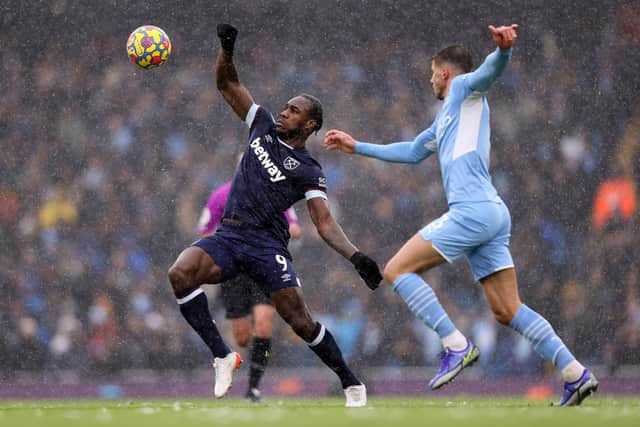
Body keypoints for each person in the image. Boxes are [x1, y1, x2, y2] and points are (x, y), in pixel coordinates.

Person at [324, 24, 598, 406]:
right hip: (491, 213)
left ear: (445, 72)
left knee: (396, 270)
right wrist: (358, 147)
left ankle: (455, 345)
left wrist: (503, 51)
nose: (429, 78)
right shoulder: (445, 118)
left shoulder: (467, 88)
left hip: (473, 210)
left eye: (432, 71)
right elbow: (412, 151)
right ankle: (574, 373)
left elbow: (489, 71)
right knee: (507, 309)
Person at [168, 23, 383, 407]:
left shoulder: (308, 169)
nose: (284, 113)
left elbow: (325, 223)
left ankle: (350, 381)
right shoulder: (262, 126)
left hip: (267, 248)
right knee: (180, 273)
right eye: (285, 107)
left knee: (300, 322)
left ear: (310, 124)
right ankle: (222, 356)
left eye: (294, 111)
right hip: (229, 236)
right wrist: (227, 50)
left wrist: (357, 258)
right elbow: (226, 85)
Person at [196, 180, 302, 402]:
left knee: (264, 324)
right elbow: (204, 233)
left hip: (264, 266)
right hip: (234, 272)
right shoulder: (221, 196)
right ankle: (250, 362)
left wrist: (281, 230)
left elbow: (295, 229)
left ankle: (253, 388)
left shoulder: (275, 194)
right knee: (242, 338)